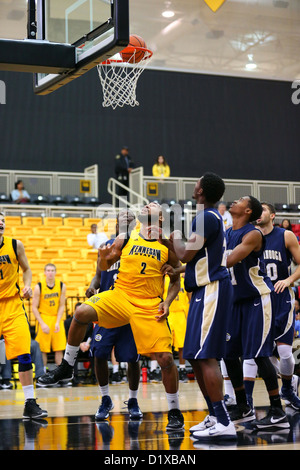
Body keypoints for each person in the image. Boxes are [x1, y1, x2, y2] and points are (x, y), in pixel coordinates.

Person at [37, 202, 184, 432]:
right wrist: (103, 257)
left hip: (148, 305)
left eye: (153, 205)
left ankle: (174, 411)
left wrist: (167, 301)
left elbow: (175, 279)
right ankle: (67, 365)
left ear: (161, 219)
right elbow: (104, 266)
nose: (147, 205)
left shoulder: (167, 244)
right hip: (121, 296)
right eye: (145, 205)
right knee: (80, 312)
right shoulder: (127, 237)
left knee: (165, 359)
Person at [158, 172, 237, 441]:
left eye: (197, 182)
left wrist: (173, 234)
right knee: (193, 354)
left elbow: (186, 252)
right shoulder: (208, 217)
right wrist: (179, 270)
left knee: (206, 355)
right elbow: (196, 258)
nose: (193, 185)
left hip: (212, 289)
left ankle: (224, 420)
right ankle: (215, 415)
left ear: (201, 190)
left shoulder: (206, 217)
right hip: (202, 290)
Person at [224, 196, 289, 430]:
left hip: (257, 300)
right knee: (229, 354)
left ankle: (277, 410)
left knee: (260, 355)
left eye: (240, 200)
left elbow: (227, 261)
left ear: (248, 210)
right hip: (235, 302)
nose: (234, 200)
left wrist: (192, 264)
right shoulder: (227, 231)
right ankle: (243, 407)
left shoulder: (253, 234)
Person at [242, 202, 300, 411]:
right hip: (258, 298)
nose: (259, 214)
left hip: (281, 297)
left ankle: (286, 388)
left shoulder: (285, 235)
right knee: (253, 351)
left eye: (263, 210)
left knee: (285, 353)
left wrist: (289, 279)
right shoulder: (250, 235)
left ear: (273, 215)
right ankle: (246, 400)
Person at [85, 209, 143, 421]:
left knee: (132, 358)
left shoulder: (140, 246)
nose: (125, 221)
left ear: (134, 225)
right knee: (99, 353)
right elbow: (98, 276)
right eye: (121, 220)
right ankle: (105, 399)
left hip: (129, 309)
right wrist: (92, 288)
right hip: (108, 309)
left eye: (129, 219)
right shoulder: (107, 246)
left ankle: (133, 399)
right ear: (116, 226)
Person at [0, 212, 47, 418]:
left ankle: (29, 403)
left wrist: (27, 286)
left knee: (24, 354)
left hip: (12, 304)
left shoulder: (15, 245)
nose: (1, 222)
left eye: (2, 219)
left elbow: (26, 269)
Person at [32, 263, 67, 373]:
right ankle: (42, 373)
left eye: (52, 270)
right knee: (43, 349)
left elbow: (62, 305)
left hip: (57, 318)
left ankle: (60, 374)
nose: (50, 272)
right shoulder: (39, 286)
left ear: (55, 272)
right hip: (44, 318)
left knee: (59, 348)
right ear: (44, 272)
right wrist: (42, 323)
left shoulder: (61, 286)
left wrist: (57, 322)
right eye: (48, 270)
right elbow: (34, 307)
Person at [163, 268, 190, 383]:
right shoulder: (165, 279)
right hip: (168, 313)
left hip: (180, 313)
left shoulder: (184, 278)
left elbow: (189, 297)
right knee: (166, 344)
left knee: (182, 344)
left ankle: (182, 369)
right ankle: (167, 369)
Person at [64, 302, 95, 385]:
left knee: (94, 351)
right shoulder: (67, 322)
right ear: (74, 312)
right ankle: (75, 377)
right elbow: (68, 337)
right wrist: (79, 344)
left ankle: (95, 377)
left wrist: (87, 344)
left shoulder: (90, 322)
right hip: (75, 345)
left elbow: (91, 335)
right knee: (73, 352)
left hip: (86, 346)